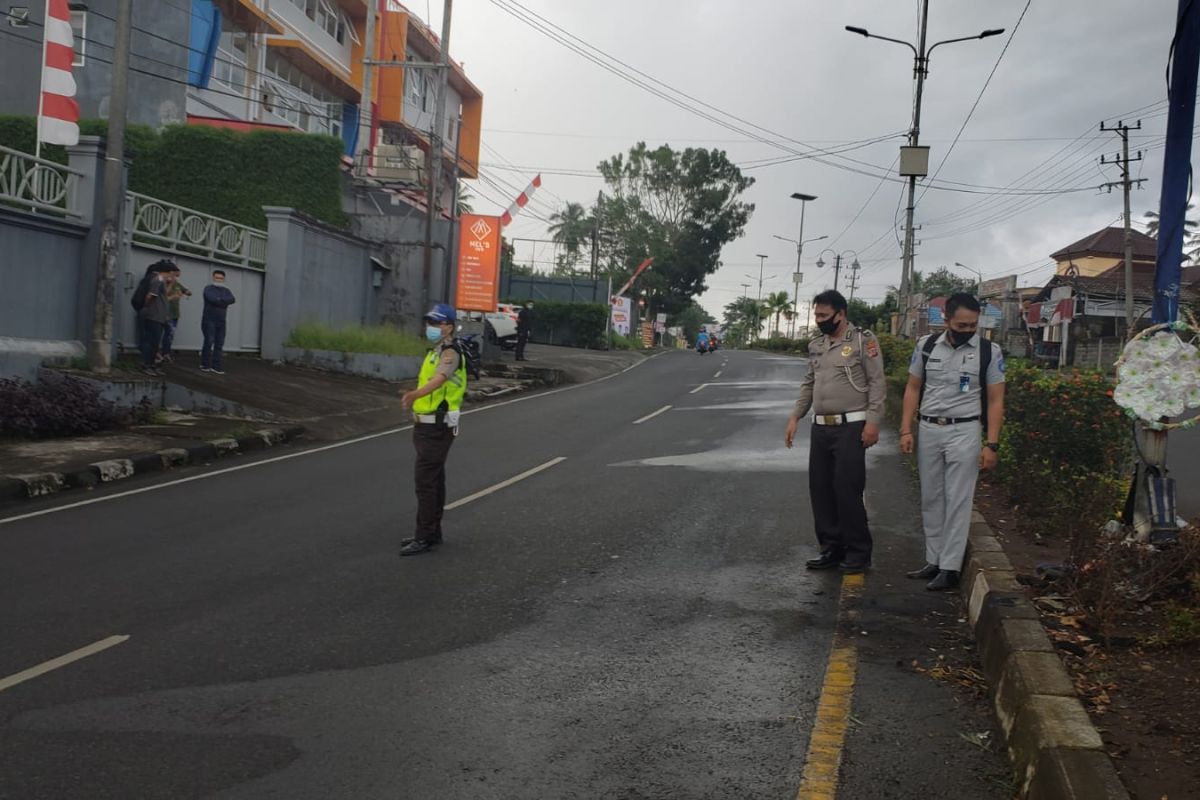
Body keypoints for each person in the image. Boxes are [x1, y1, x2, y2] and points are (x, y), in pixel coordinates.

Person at [900, 293, 1006, 591]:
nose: (967, 330)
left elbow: (997, 400)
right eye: (961, 324)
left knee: (958, 500)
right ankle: (933, 560)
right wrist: (906, 429)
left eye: (973, 325)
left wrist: (992, 443)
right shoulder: (927, 346)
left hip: (965, 430)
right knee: (931, 497)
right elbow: (912, 388)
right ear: (946, 320)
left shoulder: (989, 351)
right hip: (930, 428)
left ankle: (950, 567)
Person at [785, 289, 886, 573]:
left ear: (841, 314)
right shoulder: (817, 345)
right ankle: (831, 547)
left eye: (824, 315)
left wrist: (873, 421)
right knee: (821, 490)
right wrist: (795, 416)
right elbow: (809, 383)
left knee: (847, 489)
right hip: (821, 428)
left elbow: (877, 382)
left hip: (851, 426)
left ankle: (858, 552)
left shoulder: (862, 341)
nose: (819, 320)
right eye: (816, 315)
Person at [399, 304, 468, 557]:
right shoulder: (435, 351)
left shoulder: (450, 353)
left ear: (448, 326)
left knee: (426, 481)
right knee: (434, 479)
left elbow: (440, 378)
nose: (431, 327)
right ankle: (432, 532)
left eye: (436, 323)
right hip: (427, 424)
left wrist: (415, 394)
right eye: (429, 322)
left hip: (437, 426)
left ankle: (424, 536)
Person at [137, 261, 175, 376]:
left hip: (159, 316)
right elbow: (151, 296)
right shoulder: (158, 280)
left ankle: (152, 365)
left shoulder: (161, 281)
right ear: (168, 272)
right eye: (172, 273)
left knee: (154, 342)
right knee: (152, 342)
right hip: (154, 315)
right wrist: (149, 306)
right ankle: (147, 365)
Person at [201, 270, 236, 375]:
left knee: (219, 343)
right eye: (216, 277)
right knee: (209, 341)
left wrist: (219, 300)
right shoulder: (208, 289)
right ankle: (205, 364)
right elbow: (212, 299)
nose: (218, 280)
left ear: (224, 279)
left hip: (221, 321)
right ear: (213, 278)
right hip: (209, 319)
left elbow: (232, 299)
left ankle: (216, 366)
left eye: (220, 278)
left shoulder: (226, 290)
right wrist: (223, 301)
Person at [161, 265, 192, 364]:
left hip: (175, 314)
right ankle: (163, 353)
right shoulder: (163, 283)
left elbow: (186, 290)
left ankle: (166, 353)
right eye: (175, 275)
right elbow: (163, 297)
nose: (175, 278)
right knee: (168, 334)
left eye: (177, 276)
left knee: (170, 334)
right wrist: (171, 287)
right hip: (166, 314)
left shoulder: (177, 284)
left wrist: (187, 292)